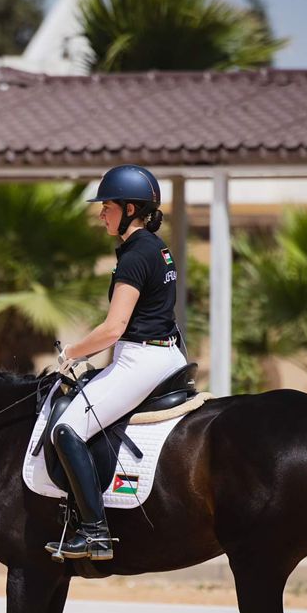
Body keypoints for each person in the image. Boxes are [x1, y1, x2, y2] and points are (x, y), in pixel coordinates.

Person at [44, 164, 186, 562]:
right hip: (167, 353)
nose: (100, 213)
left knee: (68, 428)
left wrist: (71, 353)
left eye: (106, 206)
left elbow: (113, 328)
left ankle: (95, 534)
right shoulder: (157, 247)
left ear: (128, 208)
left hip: (141, 357)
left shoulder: (135, 256)